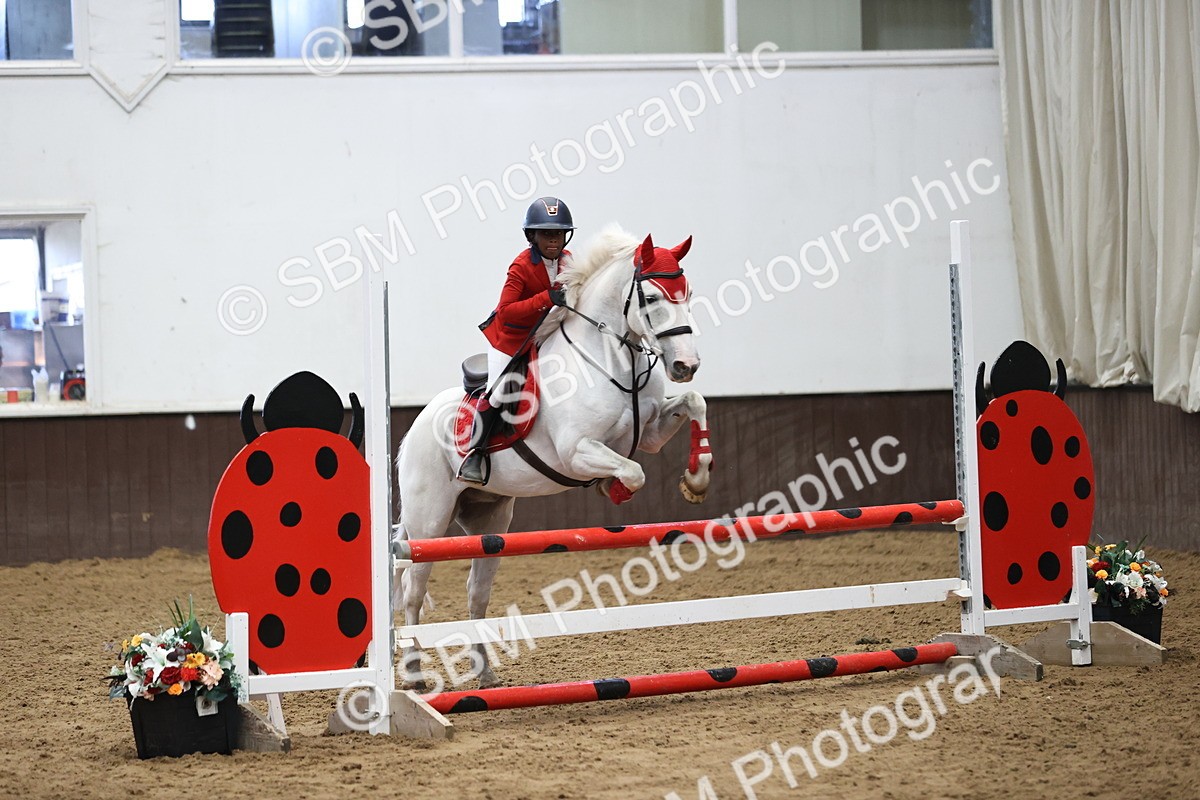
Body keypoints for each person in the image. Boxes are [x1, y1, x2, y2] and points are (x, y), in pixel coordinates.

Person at [457, 196, 574, 484]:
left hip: (546, 334)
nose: (553, 241)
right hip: (511, 339)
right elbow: (507, 311)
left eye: (558, 234)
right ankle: (476, 453)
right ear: (532, 236)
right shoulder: (520, 266)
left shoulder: (570, 261)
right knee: (498, 391)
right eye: (547, 234)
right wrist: (545, 298)